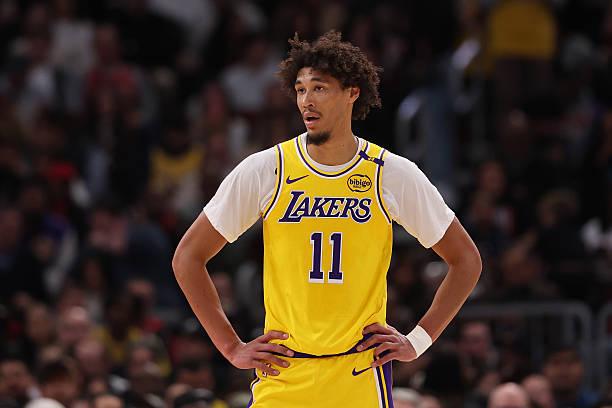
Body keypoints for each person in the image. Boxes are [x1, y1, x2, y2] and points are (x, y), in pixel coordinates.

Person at [173, 31, 482, 407]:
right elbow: (188, 257)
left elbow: (466, 260)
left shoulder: (389, 173)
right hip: (284, 372)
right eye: (300, 90)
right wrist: (230, 347)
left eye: (319, 88)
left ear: (352, 92)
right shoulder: (267, 168)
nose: (307, 100)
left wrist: (418, 340)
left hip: (359, 373)